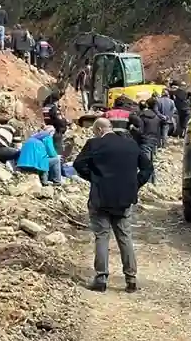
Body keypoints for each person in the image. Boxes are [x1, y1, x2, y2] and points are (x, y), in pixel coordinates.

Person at [73, 118, 153, 293]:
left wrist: (94, 179)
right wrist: (135, 184)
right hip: (124, 198)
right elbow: (147, 168)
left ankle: (101, 278)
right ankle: (131, 279)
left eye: (95, 132)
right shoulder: (131, 144)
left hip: (100, 198)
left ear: (100, 130)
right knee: (125, 237)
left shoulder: (94, 144)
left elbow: (78, 164)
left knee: (102, 236)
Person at [131, 97, 162, 183]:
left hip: (144, 141)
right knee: (150, 162)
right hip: (153, 140)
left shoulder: (142, 117)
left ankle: (147, 182)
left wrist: (133, 128)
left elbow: (140, 131)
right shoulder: (155, 116)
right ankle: (153, 180)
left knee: (145, 163)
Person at [41, 90, 69, 156]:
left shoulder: (46, 107)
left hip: (48, 130)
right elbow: (59, 121)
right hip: (56, 132)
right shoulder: (53, 108)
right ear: (57, 100)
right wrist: (65, 122)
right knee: (57, 153)